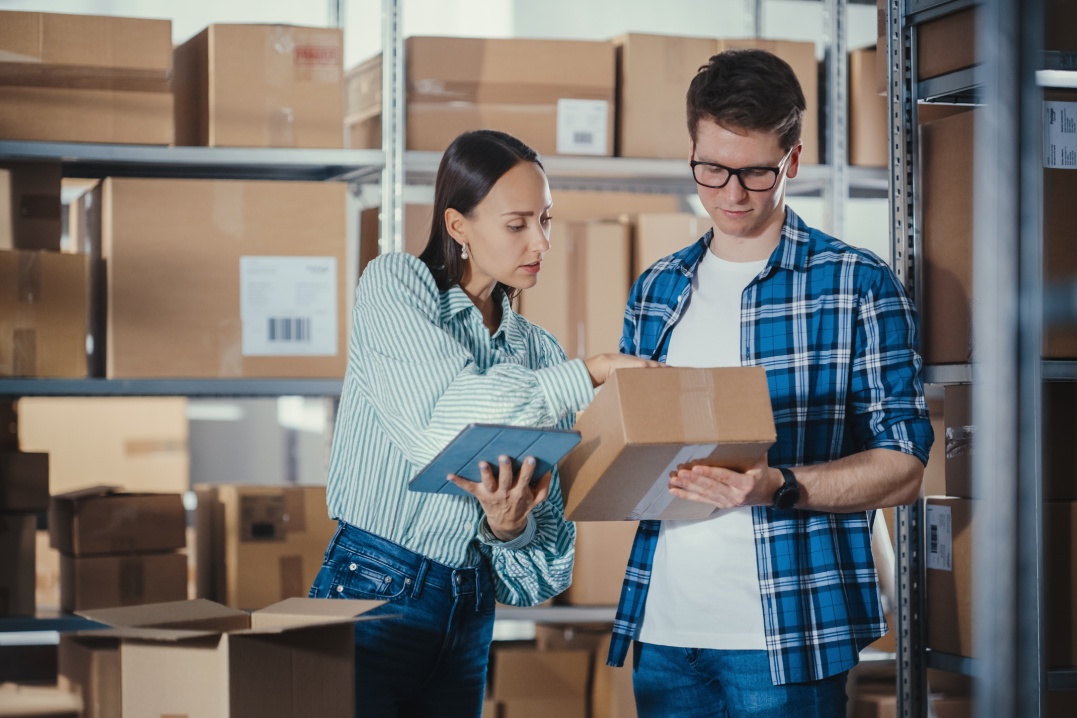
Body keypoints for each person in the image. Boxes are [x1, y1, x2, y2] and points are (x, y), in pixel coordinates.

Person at [606, 49, 934, 717]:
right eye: (711, 169)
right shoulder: (657, 288)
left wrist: (777, 485)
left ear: (792, 158)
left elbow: (904, 467)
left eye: (755, 172)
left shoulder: (855, 285)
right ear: (692, 148)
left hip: (786, 637)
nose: (730, 194)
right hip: (664, 632)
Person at [309, 129, 659, 718]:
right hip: (373, 591)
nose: (541, 241)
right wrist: (592, 372)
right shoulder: (395, 287)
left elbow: (544, 569)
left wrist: (507, 529)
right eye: (518, 223)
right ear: (458, 226)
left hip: (469, 609)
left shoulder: (540, 355)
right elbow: (439, 425)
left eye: (546, 220)